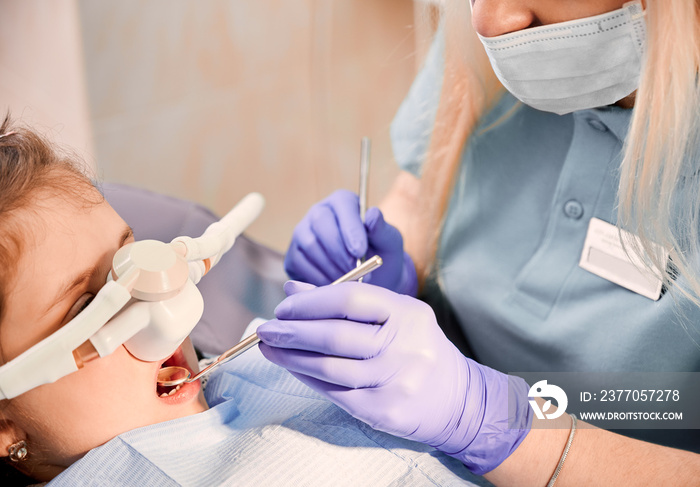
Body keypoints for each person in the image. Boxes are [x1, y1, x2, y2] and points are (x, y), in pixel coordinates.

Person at [269, 0, 700, 484]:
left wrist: (496, 423)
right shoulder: (492, 44)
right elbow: (417, 193)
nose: (489, 23)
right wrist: (383, 267)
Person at [0, 116, 478, 486]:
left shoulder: (258, 367)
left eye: (133, 260)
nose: (161, 308)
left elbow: (539, 411)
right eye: (88, 308)